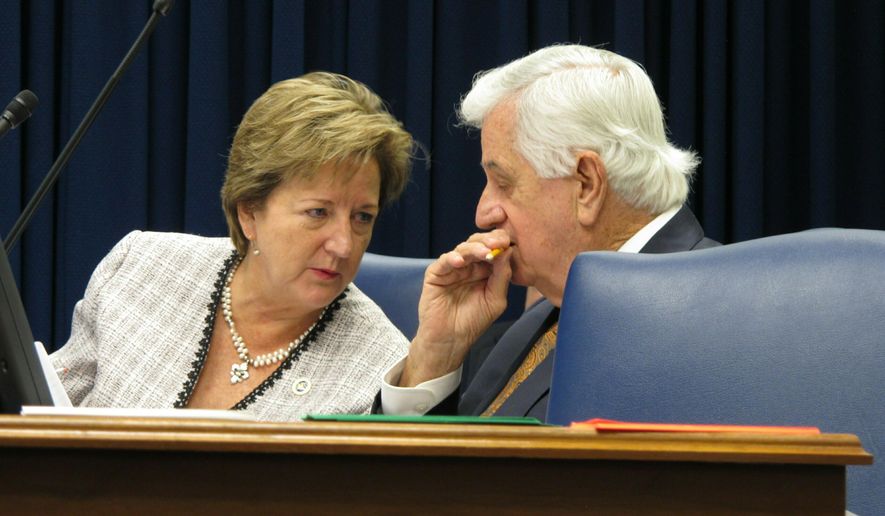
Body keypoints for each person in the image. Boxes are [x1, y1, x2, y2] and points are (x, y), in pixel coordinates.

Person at [379, 44, 718, 420]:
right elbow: (438, 474)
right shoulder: (543, 314)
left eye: (503, 183)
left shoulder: (710, 316)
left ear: (586, 184)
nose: (482, 214)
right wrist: (436, 356)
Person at [52, 72, 414, 421]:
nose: (343, 245)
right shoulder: (140, 268)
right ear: (249, 212)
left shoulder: (381, 365)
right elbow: (45, 409)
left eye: (362, 217)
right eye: (318, 212)